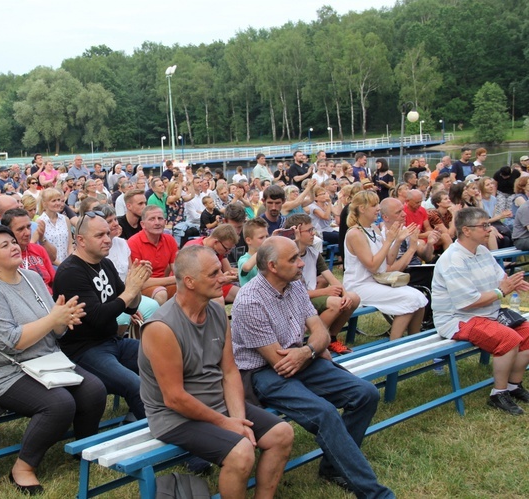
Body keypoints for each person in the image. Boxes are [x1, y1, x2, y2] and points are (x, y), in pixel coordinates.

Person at [230, 236, 393, 497]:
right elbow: (279, 362)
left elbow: (321, 333)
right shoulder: (250, 300)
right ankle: (374, 492)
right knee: (325, 413)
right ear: (272, 266)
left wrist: (308, 350)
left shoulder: (293, 286)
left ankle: (333, 466)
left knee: (365, 394)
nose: (301, 262)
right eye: (293, 258)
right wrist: (312, 348)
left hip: (303, 357)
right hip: (262, 373)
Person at [139, 245, 294, 499]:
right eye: (213, 274)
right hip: (175, 418)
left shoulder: (216, 311)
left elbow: (230, 372)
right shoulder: (162, 327)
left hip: (216, 403)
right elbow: (174, 398)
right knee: (241, 453)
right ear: (189, 281)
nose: (222, 277)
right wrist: (226, 423)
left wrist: (237, 418)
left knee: (282, 434)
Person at [0, 223, 106, 493]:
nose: (15, 246)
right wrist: (54, 318)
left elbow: (54, 328)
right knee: (60, 404)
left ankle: (84, 449)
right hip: (2, 372)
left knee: (95, 390)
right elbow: (11, 342)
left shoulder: (31, 277)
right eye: (4, 245)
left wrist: (63, 319)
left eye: (13, 241)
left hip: (45, 361)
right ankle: (23, 467)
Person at [54, 210, 152, 420]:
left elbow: (129, 308)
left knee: (163, 357)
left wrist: (135, 288)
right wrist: (129, 292)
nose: (108, 239)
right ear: (80, 240)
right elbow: (98, 316)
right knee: (134, 384)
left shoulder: (104, 263)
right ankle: (155, 431)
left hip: (113, 342)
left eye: (108, 233)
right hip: (85, 350)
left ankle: (138, 418)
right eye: (100, 235)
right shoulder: (70, 272)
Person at [432, 207, 529, 415]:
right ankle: (498, 393)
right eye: (484, 225)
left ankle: (514, 385)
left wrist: (510, 283)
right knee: (509, 339)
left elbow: (499, 277)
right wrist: (502, 290)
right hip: (458, 319)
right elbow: (467, 302)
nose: (489, 229)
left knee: (527, 333)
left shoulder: (482, 250)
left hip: (487, 314)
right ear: (466, 230)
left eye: (489, 224)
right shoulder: (453, 259)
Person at [343, 191, 428, 340]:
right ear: (362, 209)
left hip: (375, 282)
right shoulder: (355, 233)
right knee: (409, 299)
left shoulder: (373, 229)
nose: (378, 209)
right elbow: (373, 266)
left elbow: (388, 259)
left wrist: (398, 240)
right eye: (374, 205)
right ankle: (394, 344)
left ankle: (415, 339)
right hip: (359, 285)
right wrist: (388, 241)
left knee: (419, 297)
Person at [285, 214, 361, 354]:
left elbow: (332, 279)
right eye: (309, 230)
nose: (313, 233)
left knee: (353, 298)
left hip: (309, 298)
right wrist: (325, 292)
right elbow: (289, 293)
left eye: (313, 229)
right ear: (296, 232)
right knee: (335, 303)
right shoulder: (286, 257)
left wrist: (344, 294)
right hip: (294, 302)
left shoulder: (313, 252)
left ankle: (331, 338)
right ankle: (313, 341)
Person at [127, 206, 178, 305]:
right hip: (143, 289)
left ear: (164, 221)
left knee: (188, 288)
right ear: (143, 224)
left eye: (160, 218)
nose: (157, 222)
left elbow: (178, 270)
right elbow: (140, 283)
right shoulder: (133, 243)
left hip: (163, 283)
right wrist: (173, 279)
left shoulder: (169, 240)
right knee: (161, 293)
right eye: (152, 219)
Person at [0, 208, 55, 293]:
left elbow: (54, 281)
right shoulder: (6, 257)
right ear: (8, 232)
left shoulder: (38, 249)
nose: (28, 233)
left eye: (28, 227)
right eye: (21, 229)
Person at [37, 188, 73, 265]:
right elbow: (42, 249)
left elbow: (70, 244)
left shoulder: (65, 219)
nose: (58, 203)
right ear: (45, 203)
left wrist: (71, 262)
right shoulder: (40, 222)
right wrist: (60, 265)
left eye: (59, 200)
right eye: (53, 201)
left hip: (68, 264)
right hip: (51, 266)